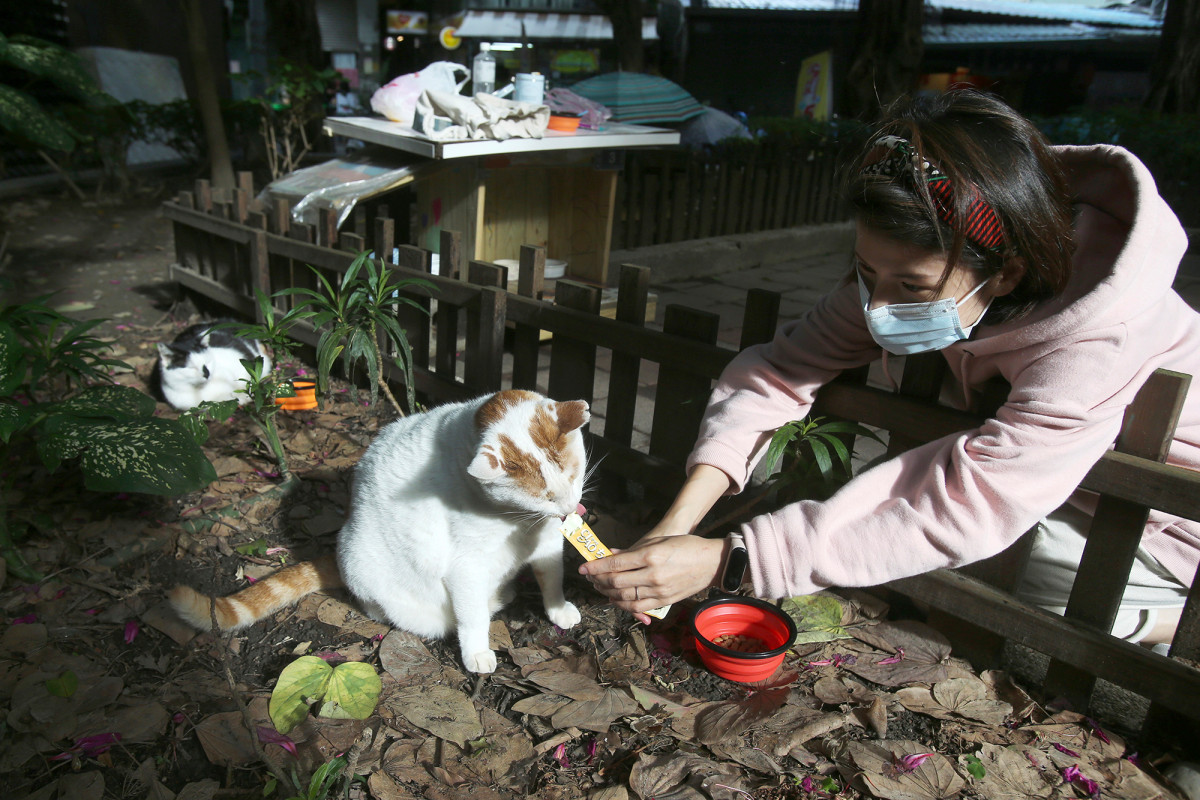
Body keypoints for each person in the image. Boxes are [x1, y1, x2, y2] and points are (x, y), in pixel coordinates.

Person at [579, 89, 1200, 649]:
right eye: (866, 272)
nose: (876, 308)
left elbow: (971, 502)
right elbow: (781, 369)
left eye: (911, 285)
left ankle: (1153, 619)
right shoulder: (925, 264)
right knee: (882, 536)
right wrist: (679, 521)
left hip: (1159, 523)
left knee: (989, 559)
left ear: (1005, 273)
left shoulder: (1100, 339)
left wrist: (728, 562)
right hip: (1041, 476)